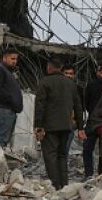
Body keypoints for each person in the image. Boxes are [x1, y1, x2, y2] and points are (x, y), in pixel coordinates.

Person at [34, 57, 85, 190]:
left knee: (50, 155)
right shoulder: (70, 84)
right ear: (61, 68)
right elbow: (78, 106)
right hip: (67, 127)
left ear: (49, 67)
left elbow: (40, 105)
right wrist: (80, 127)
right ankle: (64, 185)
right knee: (62, 155)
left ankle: (55, 185)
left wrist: (38, 126)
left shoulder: (45, 82)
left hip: (49, 127)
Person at [0, 48, 23, 148]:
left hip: (8, 110)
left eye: (16, 59)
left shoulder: (8, 72)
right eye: (12, 58)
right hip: (4, 110)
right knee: (1, 140)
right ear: (4, 58)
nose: (14, 61)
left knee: (4, 141)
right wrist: (11, 100)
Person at [82, 66, 102, 178]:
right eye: (99, 72)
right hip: (93, 122)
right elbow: (85, 103)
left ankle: (99, 174)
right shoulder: (92, 85)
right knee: (87, 149)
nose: (100, 74)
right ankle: (90, 174)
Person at [61, 64, 83, 155]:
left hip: (70, 124)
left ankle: (62, 168)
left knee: (65, 150)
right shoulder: (57, 87)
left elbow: (80, 107)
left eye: (71, 73)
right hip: (56, 123)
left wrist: (79, 125)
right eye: (66, 73)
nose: (69, 76)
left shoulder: (77, 88)